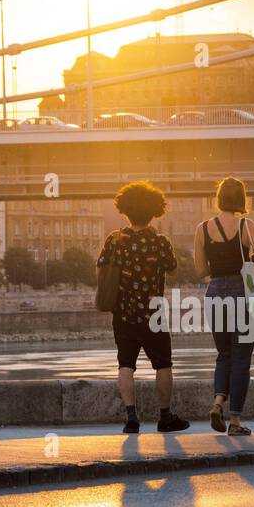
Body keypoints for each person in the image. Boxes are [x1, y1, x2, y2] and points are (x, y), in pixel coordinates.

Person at [97, 181, 190, 434]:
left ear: (124, 210)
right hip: (153, 314)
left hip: (123, 313)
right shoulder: (160, 242)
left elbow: (101, 266)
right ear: (154, 211)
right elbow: (172, 267)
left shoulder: (115, 240)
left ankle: (131, 418)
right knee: (163, 364)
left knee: (125, 363)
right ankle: (165, 416)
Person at [192, 176, 254, 436]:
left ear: (218, 198)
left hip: (215, 293)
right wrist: (249, 254)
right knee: (241, 358)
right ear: (241, 199)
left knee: (223, 355)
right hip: (242, 293)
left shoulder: (202, 229)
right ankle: (235, 422)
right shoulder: (245, 226)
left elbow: (200, 270)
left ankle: (218, 403)